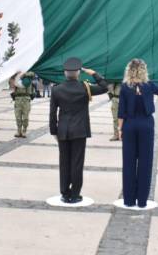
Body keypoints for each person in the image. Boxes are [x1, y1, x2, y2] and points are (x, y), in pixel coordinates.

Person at [49, 58, 108, 204]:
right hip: (79, 131)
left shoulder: (57, 89)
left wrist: (54, 131)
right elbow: (105, 87)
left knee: (64, 162)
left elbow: (52, 114)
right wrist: (94, 73)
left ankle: (65, 193)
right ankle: (75, 194)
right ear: (78, 73)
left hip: (63, 130)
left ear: (65, 73)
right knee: (77, 163)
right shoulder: (84, 87)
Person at [118, 59, 158, 207]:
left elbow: (121, 112)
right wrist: (145, 84)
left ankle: (129, 200)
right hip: (146, 125)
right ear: (144, 70)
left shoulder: (124, 87)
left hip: (129, 125)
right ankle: (142, 200)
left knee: (128, 162)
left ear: (128, 70)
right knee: (145, 161)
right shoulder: (149, 85)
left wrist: (119, 129)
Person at [9, 71, 35, 138]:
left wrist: (23, 74)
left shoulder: (29, 75)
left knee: (25, 117)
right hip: (18, 99)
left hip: (26, 99)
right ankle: (19, 130)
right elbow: (11, 85)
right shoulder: (16, 78)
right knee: (18, 117)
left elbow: (32, 74)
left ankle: (24, 131)